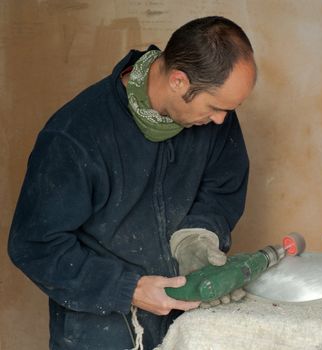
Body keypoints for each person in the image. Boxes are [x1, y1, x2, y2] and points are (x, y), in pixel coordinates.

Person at [8, 16, 257, 350]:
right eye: (215, 108)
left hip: (184, 319)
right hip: (98, 330)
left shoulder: (215, 116)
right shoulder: (75, 135)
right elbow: (35, 245)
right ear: (179, 81)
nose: (221, 120)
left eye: (229, 109)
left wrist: (196, 237)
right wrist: (129, 289)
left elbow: (221, 188)